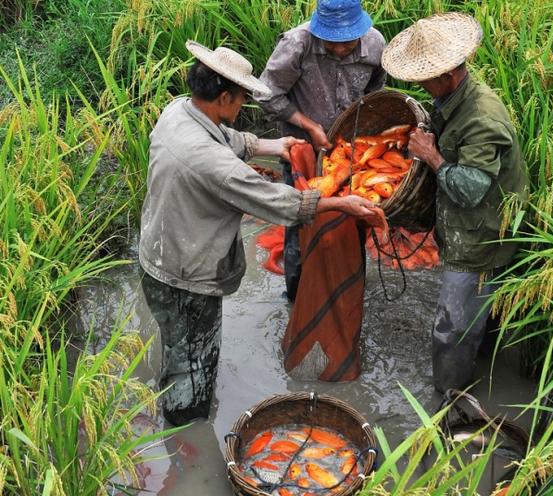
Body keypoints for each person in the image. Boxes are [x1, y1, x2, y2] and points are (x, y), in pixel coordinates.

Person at [139, 40, 377, 426]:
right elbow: (278, 203)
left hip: (158, 254)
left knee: (177, 347)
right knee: (195, 363)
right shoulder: (214, 165)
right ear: (223, 97)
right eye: (240, 99)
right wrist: (340, 205)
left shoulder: (179, 112)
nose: (242, 107)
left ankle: (178, 405)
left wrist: (273, 145)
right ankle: (189, 434)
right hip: (186, 276)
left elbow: (226, 138)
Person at [381, 13, 529, 393]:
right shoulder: (450, 98)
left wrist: (432, 156)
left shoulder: (482, 117)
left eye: (423, 79)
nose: (419, 85)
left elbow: (470, 190)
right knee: (479, 313)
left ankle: (449, 402)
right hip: (465, 227)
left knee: (452, 328)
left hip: (480, 237)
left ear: (448, 74)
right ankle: (477, 364)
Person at [257, 0, 386, 301]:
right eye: (332, 42)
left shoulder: (375, 43)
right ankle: (299, 294)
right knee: (300, 220)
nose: (341, 49)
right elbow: (265, 94)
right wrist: (309, 125)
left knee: (354, 216)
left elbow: (375, 91)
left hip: (351, 150)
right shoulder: (297, 44)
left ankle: (348, 289)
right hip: (301, 150)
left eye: (348, 42)